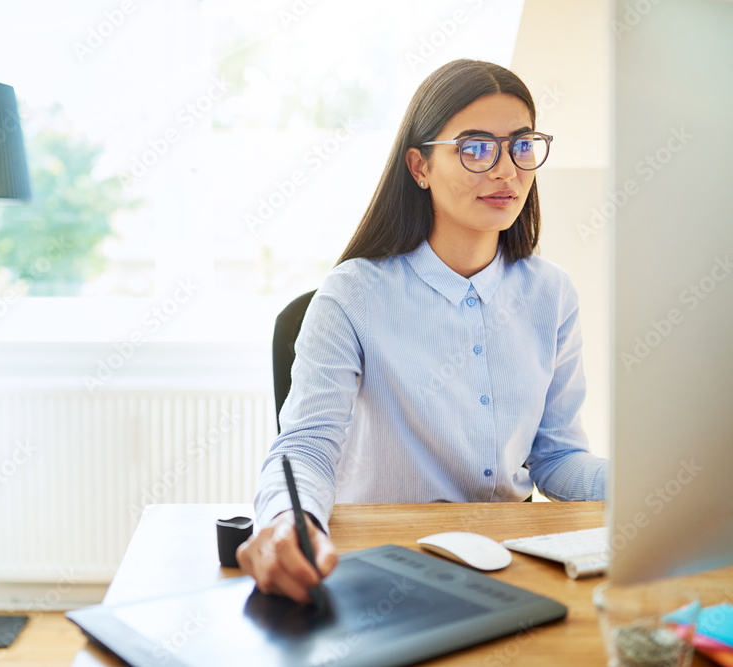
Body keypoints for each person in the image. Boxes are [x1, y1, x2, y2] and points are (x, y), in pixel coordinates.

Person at [236, 59, 608, 604]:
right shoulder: (353, 294)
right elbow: (306, 447)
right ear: (420, 166)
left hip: (511, 568)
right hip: (384, 565)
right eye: (476, 148)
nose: (507, 171)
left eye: (522, 145)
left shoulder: (550, 293)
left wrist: (655, 489)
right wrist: (287, 521)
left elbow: (556, 457)